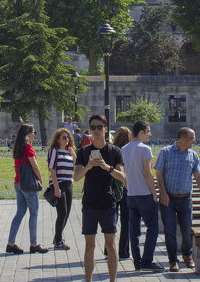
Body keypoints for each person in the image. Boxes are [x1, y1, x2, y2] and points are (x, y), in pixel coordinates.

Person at [74, 113, 125, 282]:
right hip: (89, 203)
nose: (96, 130)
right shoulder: (83, 151)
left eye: (99, 127)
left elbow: (123, 177)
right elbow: (76, 177)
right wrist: (88, 166)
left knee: (110, 244)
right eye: (93, 127)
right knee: (89, 245)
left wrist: (106, 167)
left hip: (108, 202)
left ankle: (112, 280)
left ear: (106, 129)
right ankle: (88, 280)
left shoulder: (114, 151)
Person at [155, 126, 200, 272]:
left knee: (187, 230)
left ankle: (187, 255)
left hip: (185, 198)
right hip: (168, 199)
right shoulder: (165, 152)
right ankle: (173, 260)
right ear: (183, 139)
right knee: (170, 231)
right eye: (192, 138)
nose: (194, 141)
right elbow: (159, 174)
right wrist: (163, 194)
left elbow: (198, 175)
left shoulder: (193, 155)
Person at [120, 120, 162, 271]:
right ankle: (147, 261)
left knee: (134, 231)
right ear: (141, 132)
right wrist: (154, 193)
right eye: (148, 131)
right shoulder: (145, 149)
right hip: (144, 194)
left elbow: (124, 174)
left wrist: (129, 187)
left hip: (131, 195)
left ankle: (137, 262)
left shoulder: (124, 149)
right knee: (152, 228)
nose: (150, 134)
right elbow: (147, 173)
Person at [6, 123, 49, 255]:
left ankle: (11, 243)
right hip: (29, 184)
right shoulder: (28, 147)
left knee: (20, 213)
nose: (34, 135)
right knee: (34, 213)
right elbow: (34, 166)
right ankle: (34, 244)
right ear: (28, 134)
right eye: (33, 132)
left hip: (18, 182)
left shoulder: (17, 147)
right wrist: (41, 180)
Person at [48, 127, 76, 250]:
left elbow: (75, 168)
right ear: (58, 139)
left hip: (68, 183)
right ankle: (58, 241)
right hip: (59, 184)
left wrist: (74, 155)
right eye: (64, 137)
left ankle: (57, 237)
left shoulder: (70, 152)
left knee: (67, 212)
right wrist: (56, 188)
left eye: (68, 137)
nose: (67, 139)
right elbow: (52, 169)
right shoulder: (54, 151)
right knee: (62, 212)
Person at [111, 126, 131, 262]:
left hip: (112, 187)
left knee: (112, 219)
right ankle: (123, 251)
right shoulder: (130, 150)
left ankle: (109, 248)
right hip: (127, 187)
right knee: (126, 221)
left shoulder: (112, 150)